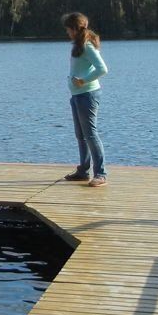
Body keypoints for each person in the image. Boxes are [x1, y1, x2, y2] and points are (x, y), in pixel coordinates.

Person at [61, 11, 109, 187]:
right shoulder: (78, 44)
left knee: (90, 134)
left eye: (68, 29)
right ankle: (83, 171)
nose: (67, 32)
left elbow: (102, 69)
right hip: (77, 96)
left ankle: (101, 174)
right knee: (81, 135)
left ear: (75, 28)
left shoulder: (87, 45)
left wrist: (83, 80)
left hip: (88, 95)